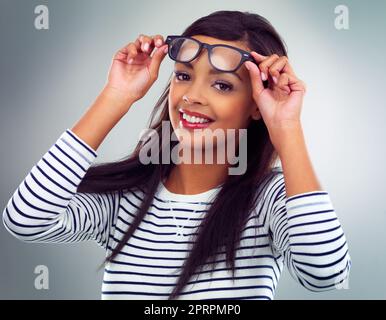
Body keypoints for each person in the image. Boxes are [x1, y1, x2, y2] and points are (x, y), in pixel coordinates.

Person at [2, 10, 351, 300]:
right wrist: (116, 95)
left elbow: (325, 273)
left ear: (256, 105)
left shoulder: (269, 199)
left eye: (222, 85)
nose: (191, 96)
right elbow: (25, 220)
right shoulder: (125, 199)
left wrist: (287, 126)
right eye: (183, 76)